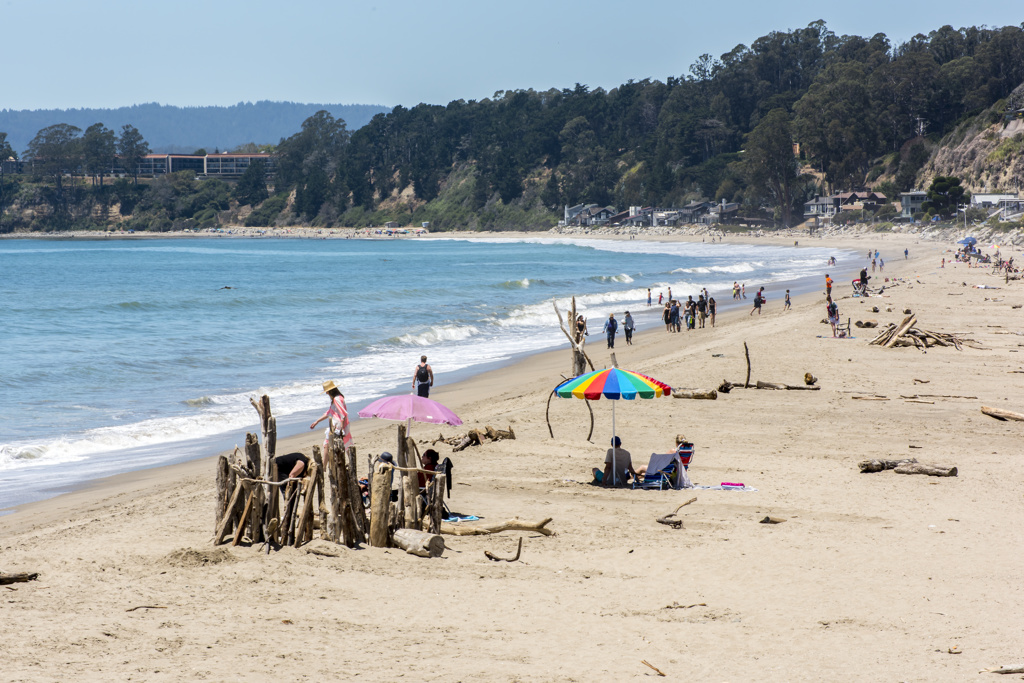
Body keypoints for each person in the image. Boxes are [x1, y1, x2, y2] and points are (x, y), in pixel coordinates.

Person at [310, 380, 353, 455]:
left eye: (327, 391)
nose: (326, 393)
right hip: (338, 425)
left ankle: (324, 466)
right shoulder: (337, 398)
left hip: (338, 426)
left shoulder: (337, 399)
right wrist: (317, 421)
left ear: (330, 391)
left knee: (328, 445)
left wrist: (342, 428)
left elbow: (343, 413)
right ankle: (350, 463)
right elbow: (329, 412)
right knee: (344, 446)